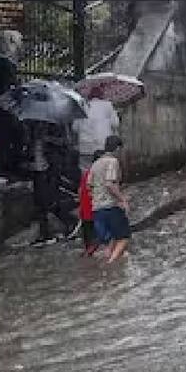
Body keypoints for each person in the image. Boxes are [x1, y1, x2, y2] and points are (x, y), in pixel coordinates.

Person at [27, 121, 77, 245]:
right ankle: (44, 233)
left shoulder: (55, 125)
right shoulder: (30, 128)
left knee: (51, 201)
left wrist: (47, 139)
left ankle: (70, 221)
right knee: (39, 204)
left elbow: (65, 142)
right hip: (36, 169)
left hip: (51, 169)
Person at [89, 135, 130, 264]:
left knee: (110, 240)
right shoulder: (112, 161)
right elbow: (109, 184)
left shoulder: (95, 164)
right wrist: (122, 199)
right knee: (123, 238)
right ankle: (110, 264)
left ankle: (108, 262)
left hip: (97, 209)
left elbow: (89, 185)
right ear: (117, 148)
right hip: (111, 207)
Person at [72, 86, 119, 171]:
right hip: (103, 145)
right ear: (102, 95)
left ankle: (86, 183)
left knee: (85, 170)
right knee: (103, 170)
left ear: (89, 96)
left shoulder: (82, 105)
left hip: (85, 145)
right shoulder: (108, 105)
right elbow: (115, 124)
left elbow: (75, 127)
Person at [79, 149, 104, 256]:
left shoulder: (86, 174)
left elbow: (80, 191)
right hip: (95, 214)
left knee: (89, 245)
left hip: (85, 214)